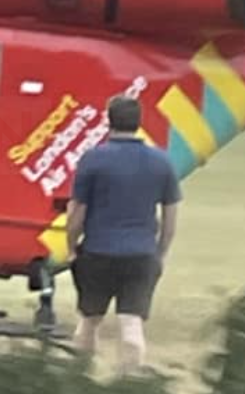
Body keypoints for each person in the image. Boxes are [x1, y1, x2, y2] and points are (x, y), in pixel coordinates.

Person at [66, 94, 180, 373]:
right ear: (139, 123)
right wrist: (161, 252)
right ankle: (128, 382)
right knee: (131, 324)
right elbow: (170, 215)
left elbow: (77, 211)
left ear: (109, 122)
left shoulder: (93, 160)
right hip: (141, 253)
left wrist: (71, 246)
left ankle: (79, 377)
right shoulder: (161, 162)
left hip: (97, 252)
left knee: (89, 320)